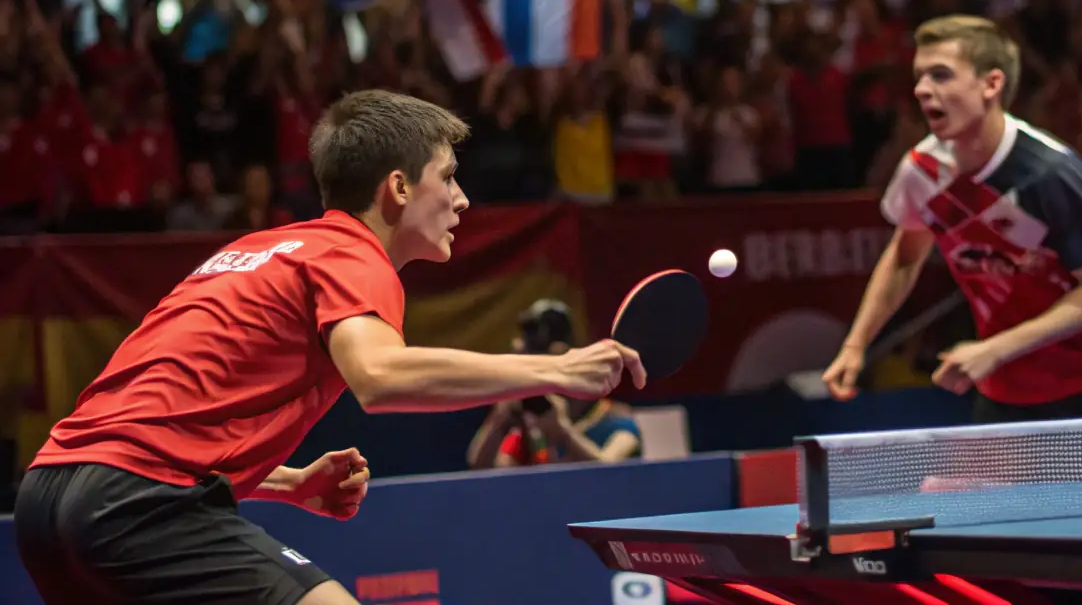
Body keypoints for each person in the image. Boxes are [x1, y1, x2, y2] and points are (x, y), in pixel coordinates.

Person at [14, 89, 646, 605]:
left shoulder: (256, 252)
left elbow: (161, 424)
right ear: (398, 189)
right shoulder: (354, 255)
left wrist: (286, 483)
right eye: (448, 177)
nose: (462, 199)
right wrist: (556, 369)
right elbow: (381, 376)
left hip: (47, 500)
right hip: (136, 505)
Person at [822, 15, 1082, 423]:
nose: (922, 90)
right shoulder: (923, 172)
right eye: (919, 77)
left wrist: (993, 350)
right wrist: (856, 345)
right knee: (958, 490)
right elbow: (906, 256)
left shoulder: (1049, 174)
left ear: (991, 84)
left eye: (941, 76)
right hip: (1010, 389)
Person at [465, 299, 642, 469]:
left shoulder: (616, 422)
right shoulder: (531, 428)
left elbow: (610, 473)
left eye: (533, 362)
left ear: (561, 354)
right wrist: (499, 420)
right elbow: (484, 467)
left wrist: (563, 434)